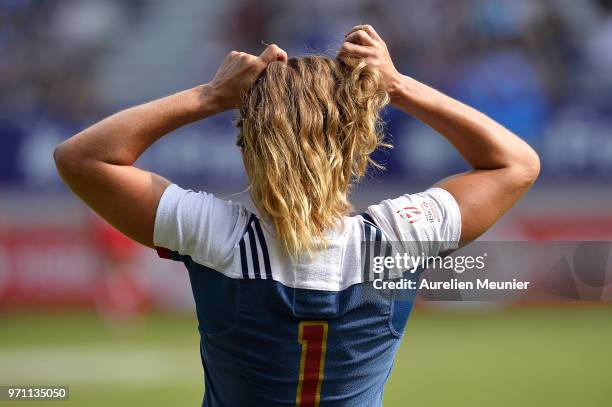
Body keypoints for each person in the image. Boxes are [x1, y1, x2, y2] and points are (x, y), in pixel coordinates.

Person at [54, 25, 539, 407]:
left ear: (249, 150)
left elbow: (83, 158)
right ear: (356, 148)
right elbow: (515, 164)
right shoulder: (397, 238)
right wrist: (399, 85)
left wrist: (211, 95)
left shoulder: (216, 237)